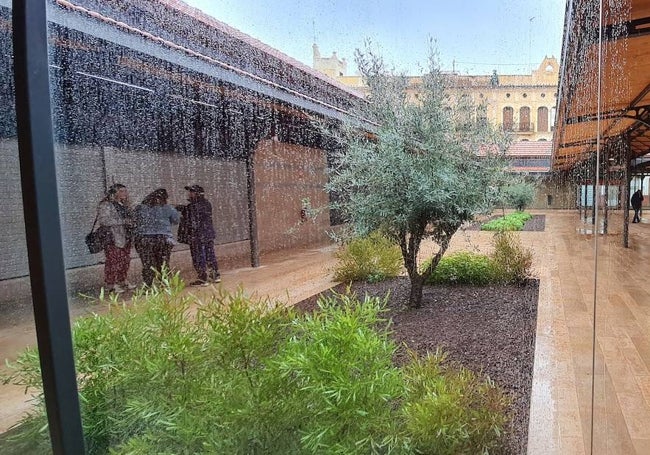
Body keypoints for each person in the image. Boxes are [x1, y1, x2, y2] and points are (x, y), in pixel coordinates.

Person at [133, 188, 180, 286]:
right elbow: (176, 220)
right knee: (163, 263)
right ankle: (164, 283)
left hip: (144, 239)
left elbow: (134, 220)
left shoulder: (140, 208)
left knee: (147, 263)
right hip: (163, 239)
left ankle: (148, 285)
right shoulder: (168, 208)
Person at [177, 184, 221, 286]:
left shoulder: (193, 206)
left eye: (191, 192)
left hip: (197, 236)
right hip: (208, 234)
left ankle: (203, 278)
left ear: (197, 194)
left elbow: (192, 219)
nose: (189, 194)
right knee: (210, 254)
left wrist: (184, 210)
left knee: (198, 256)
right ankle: (215, 275)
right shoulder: (206, 204)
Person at [97, 183, 135, 294]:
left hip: (125, 237)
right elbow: (104, 221)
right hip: (113, 238)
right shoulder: (106, 205)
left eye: (125, 191)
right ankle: (111, 284)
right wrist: (123, 222)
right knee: (113, 260)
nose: (125, 193)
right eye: (122, 191)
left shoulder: (123, 204)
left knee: (125, 260)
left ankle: (122, 280)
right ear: (115, 192)